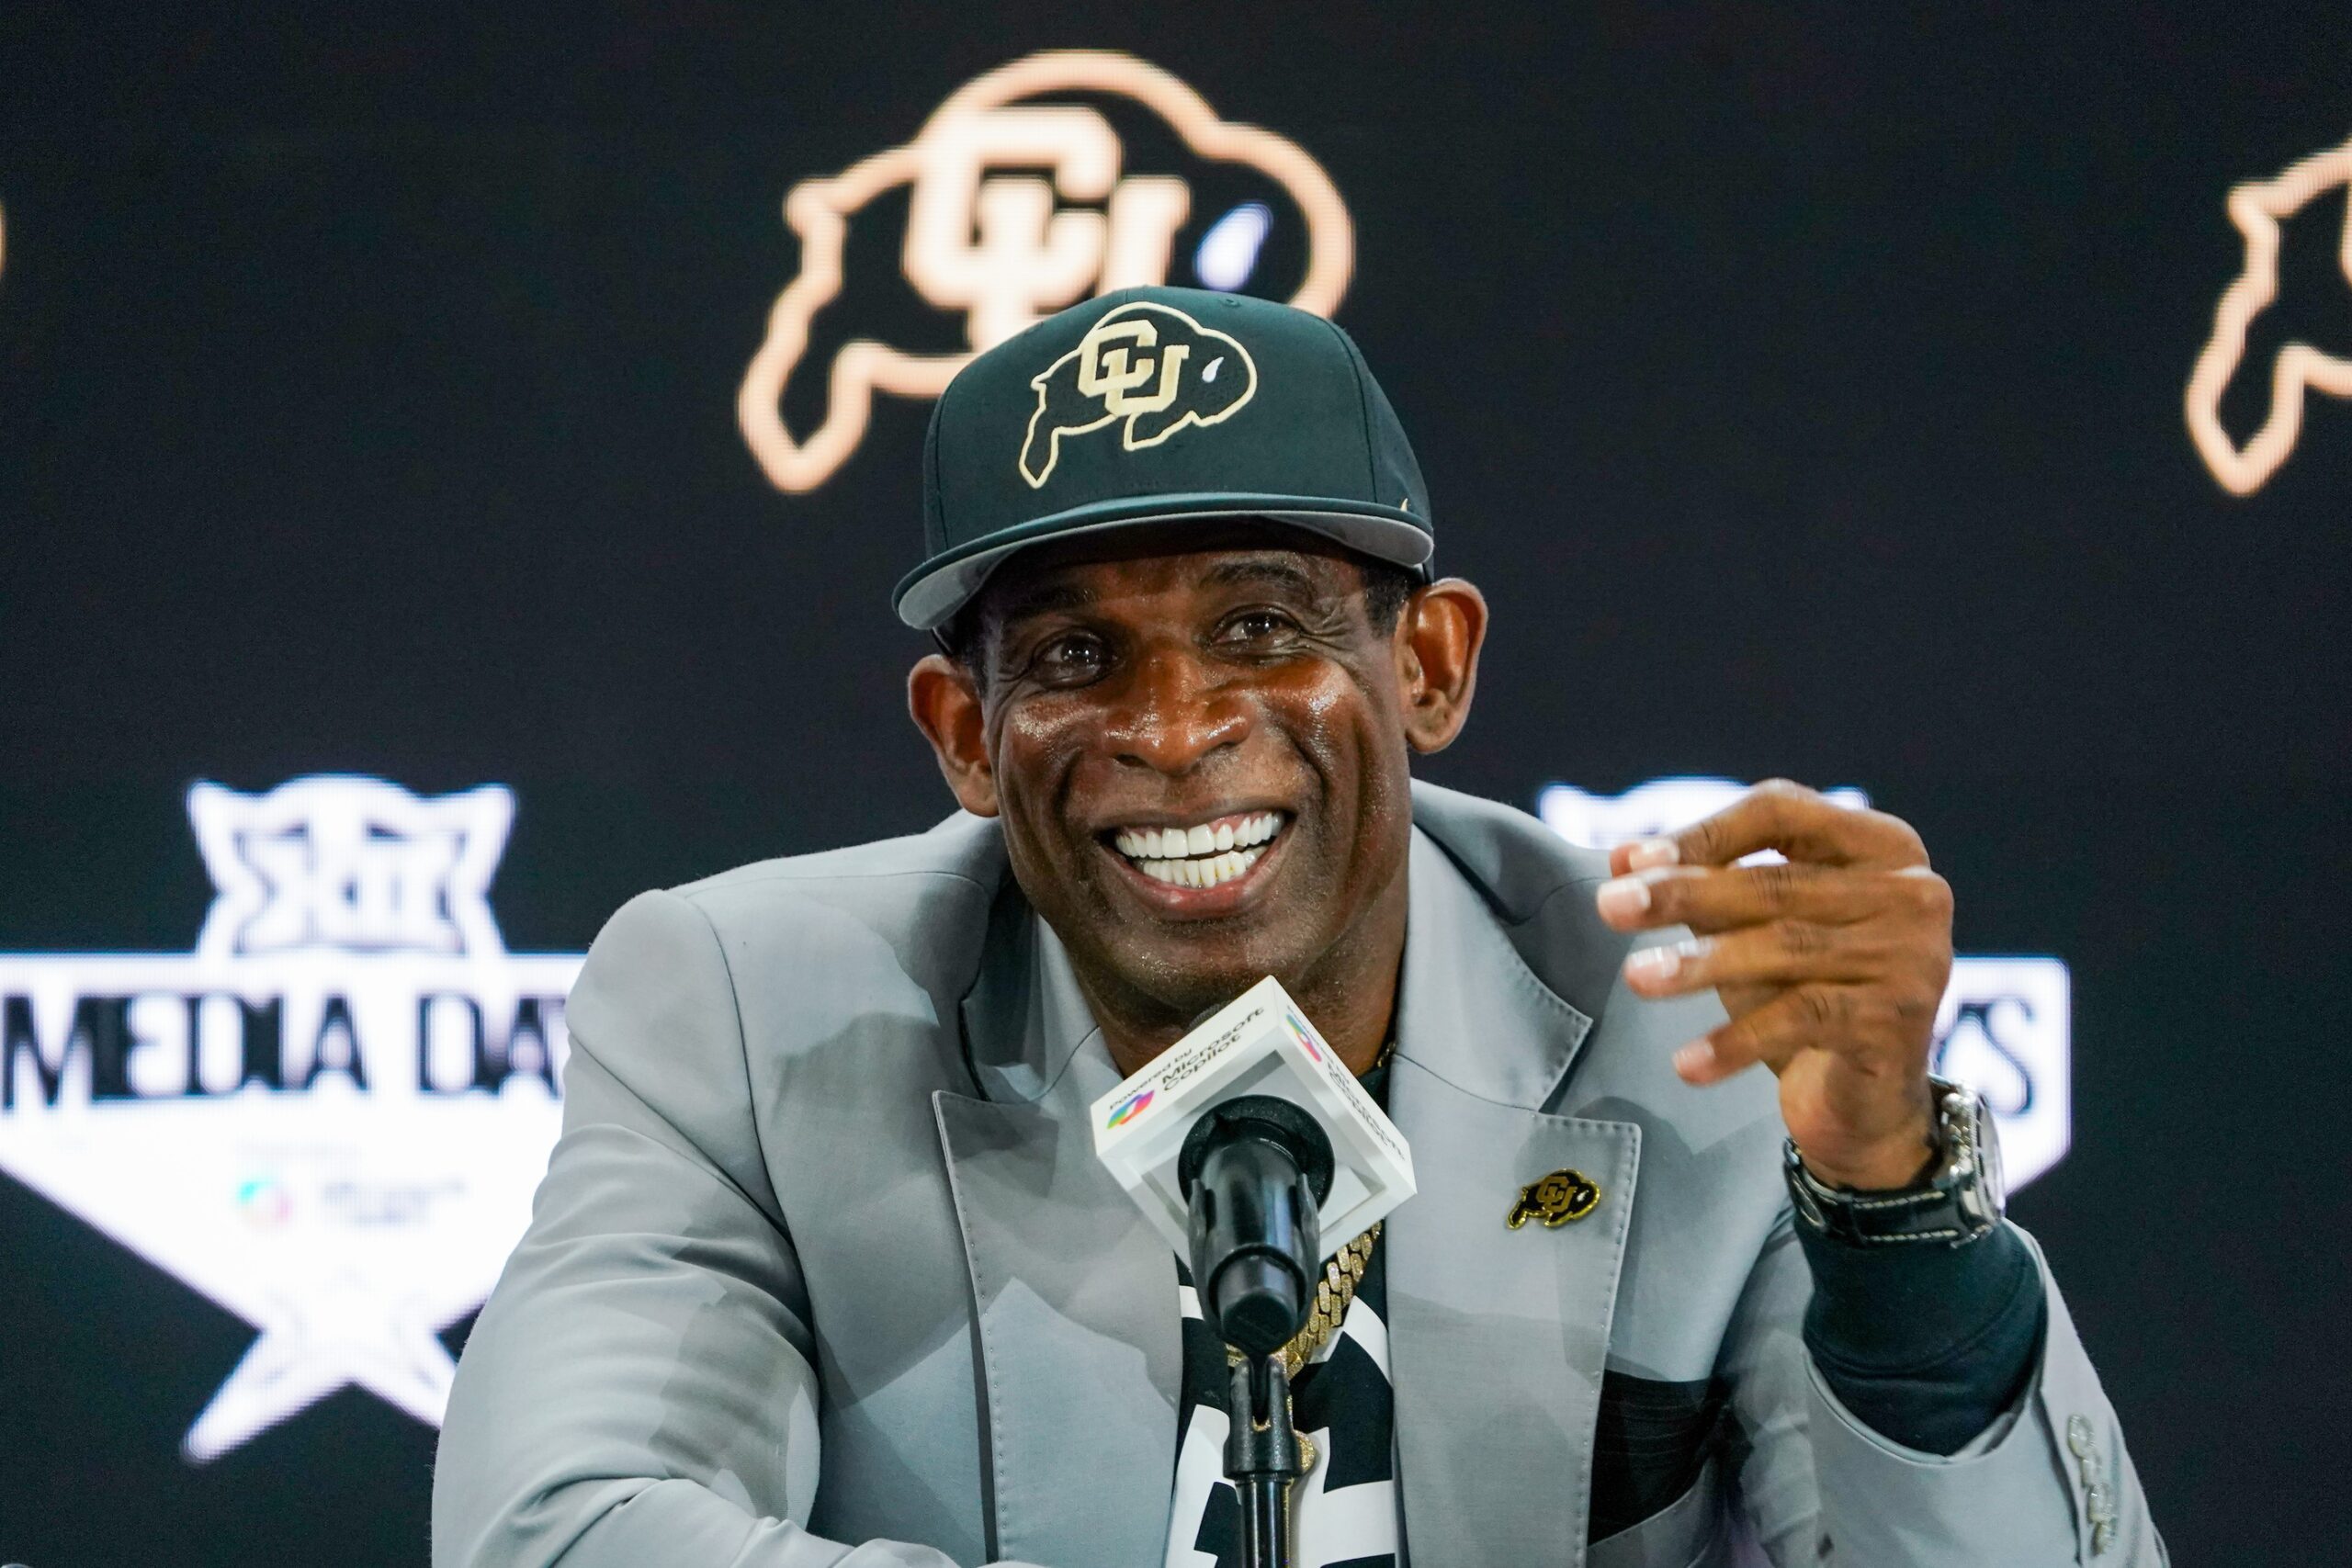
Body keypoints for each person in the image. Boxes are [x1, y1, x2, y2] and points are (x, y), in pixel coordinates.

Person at [433, 287, 2160, 1567]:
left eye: (1263, 628)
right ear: (966, 736)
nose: (1177, 731)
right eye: (1075, 657)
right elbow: (562, 1532)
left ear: (1427, 666)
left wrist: (1891, 1214)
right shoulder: (746, 1008)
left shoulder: (1692, 1018)